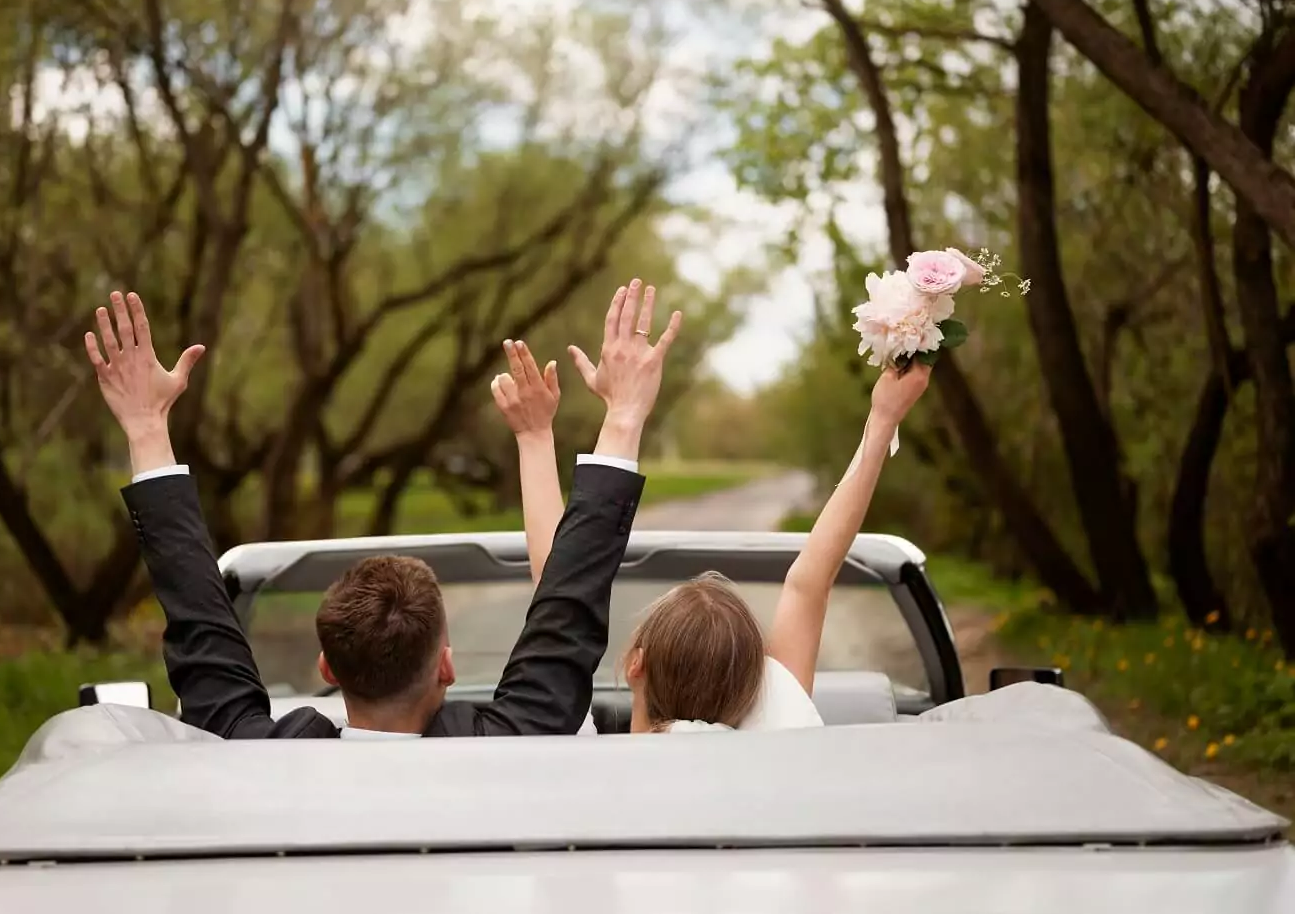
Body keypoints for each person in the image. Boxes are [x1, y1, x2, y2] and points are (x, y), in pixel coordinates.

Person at [84, 280, 680, 739]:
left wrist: (144, 427)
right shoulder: (517, 741)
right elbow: (567, 603)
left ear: (327, 667)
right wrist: (624, 415)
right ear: (446, 666)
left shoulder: (250, 753)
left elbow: (198, 615)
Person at [492, 340, 931, 733]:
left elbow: (558, 584)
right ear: (759, 682)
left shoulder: (568, 747)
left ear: (634, 665)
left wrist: (534, 437)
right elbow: (809, 582)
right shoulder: (783, 740)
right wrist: (884, 418)